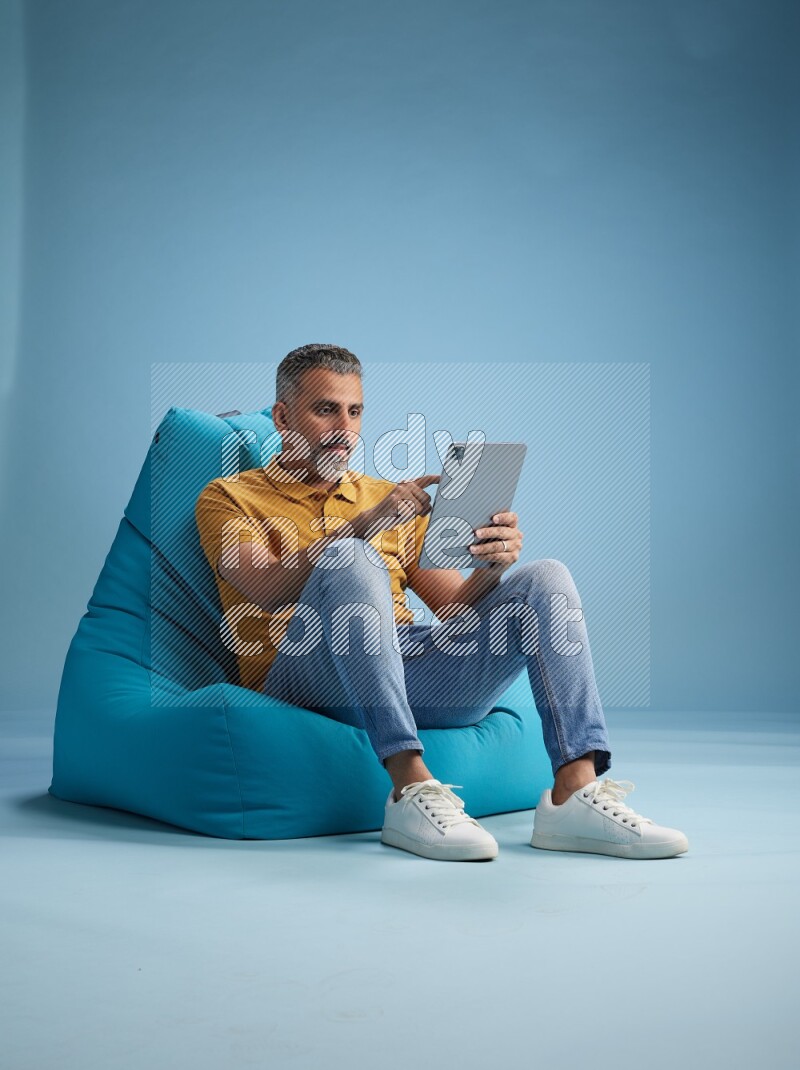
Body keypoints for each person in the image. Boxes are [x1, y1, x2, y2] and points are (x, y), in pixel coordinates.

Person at [195, 343, 689, 863]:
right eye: (325, 410)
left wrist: (492, 566)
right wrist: (367, 527)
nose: (344, 428)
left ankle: (575, 791)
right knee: (350, 558)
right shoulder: (228, 496)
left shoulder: (386, 495)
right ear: (282, 416)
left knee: (545, 577)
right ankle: (410, 788)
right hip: (302, 674)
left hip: (403, 667)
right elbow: (265, 586)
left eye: (355, 411)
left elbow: (454, 609)